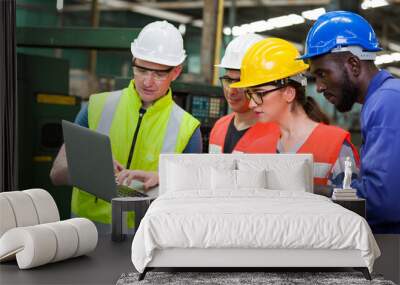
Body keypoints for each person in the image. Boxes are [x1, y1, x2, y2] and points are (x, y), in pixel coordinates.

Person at [50, 21, 201, 231]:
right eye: (141, 69)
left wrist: (163, 180)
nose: (148, 81)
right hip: (85, 232)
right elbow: (56, 174)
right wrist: (90, 167)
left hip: (147, 237)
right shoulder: (95, 107)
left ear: (176, 72)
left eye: (159, 74)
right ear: (133, 62)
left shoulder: (189, 129)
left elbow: (194, 199)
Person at [301, 11, 400, 233]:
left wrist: (318, 193)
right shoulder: (381, 100)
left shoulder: (387, 101)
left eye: (323, 74)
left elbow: (384, 203)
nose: (318, 87)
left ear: (354, 65)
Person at [231, 38, 360, 187]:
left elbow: (350, 206)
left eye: (259, 94)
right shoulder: (256, 149)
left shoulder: (336, 145)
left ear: (289, 93)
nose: (252, 103)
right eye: (249, 94)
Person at [209, 34, 280, 153]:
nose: (231, 91)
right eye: (228, 80)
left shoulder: (278, 135)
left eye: (240, 82)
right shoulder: (219, 126)